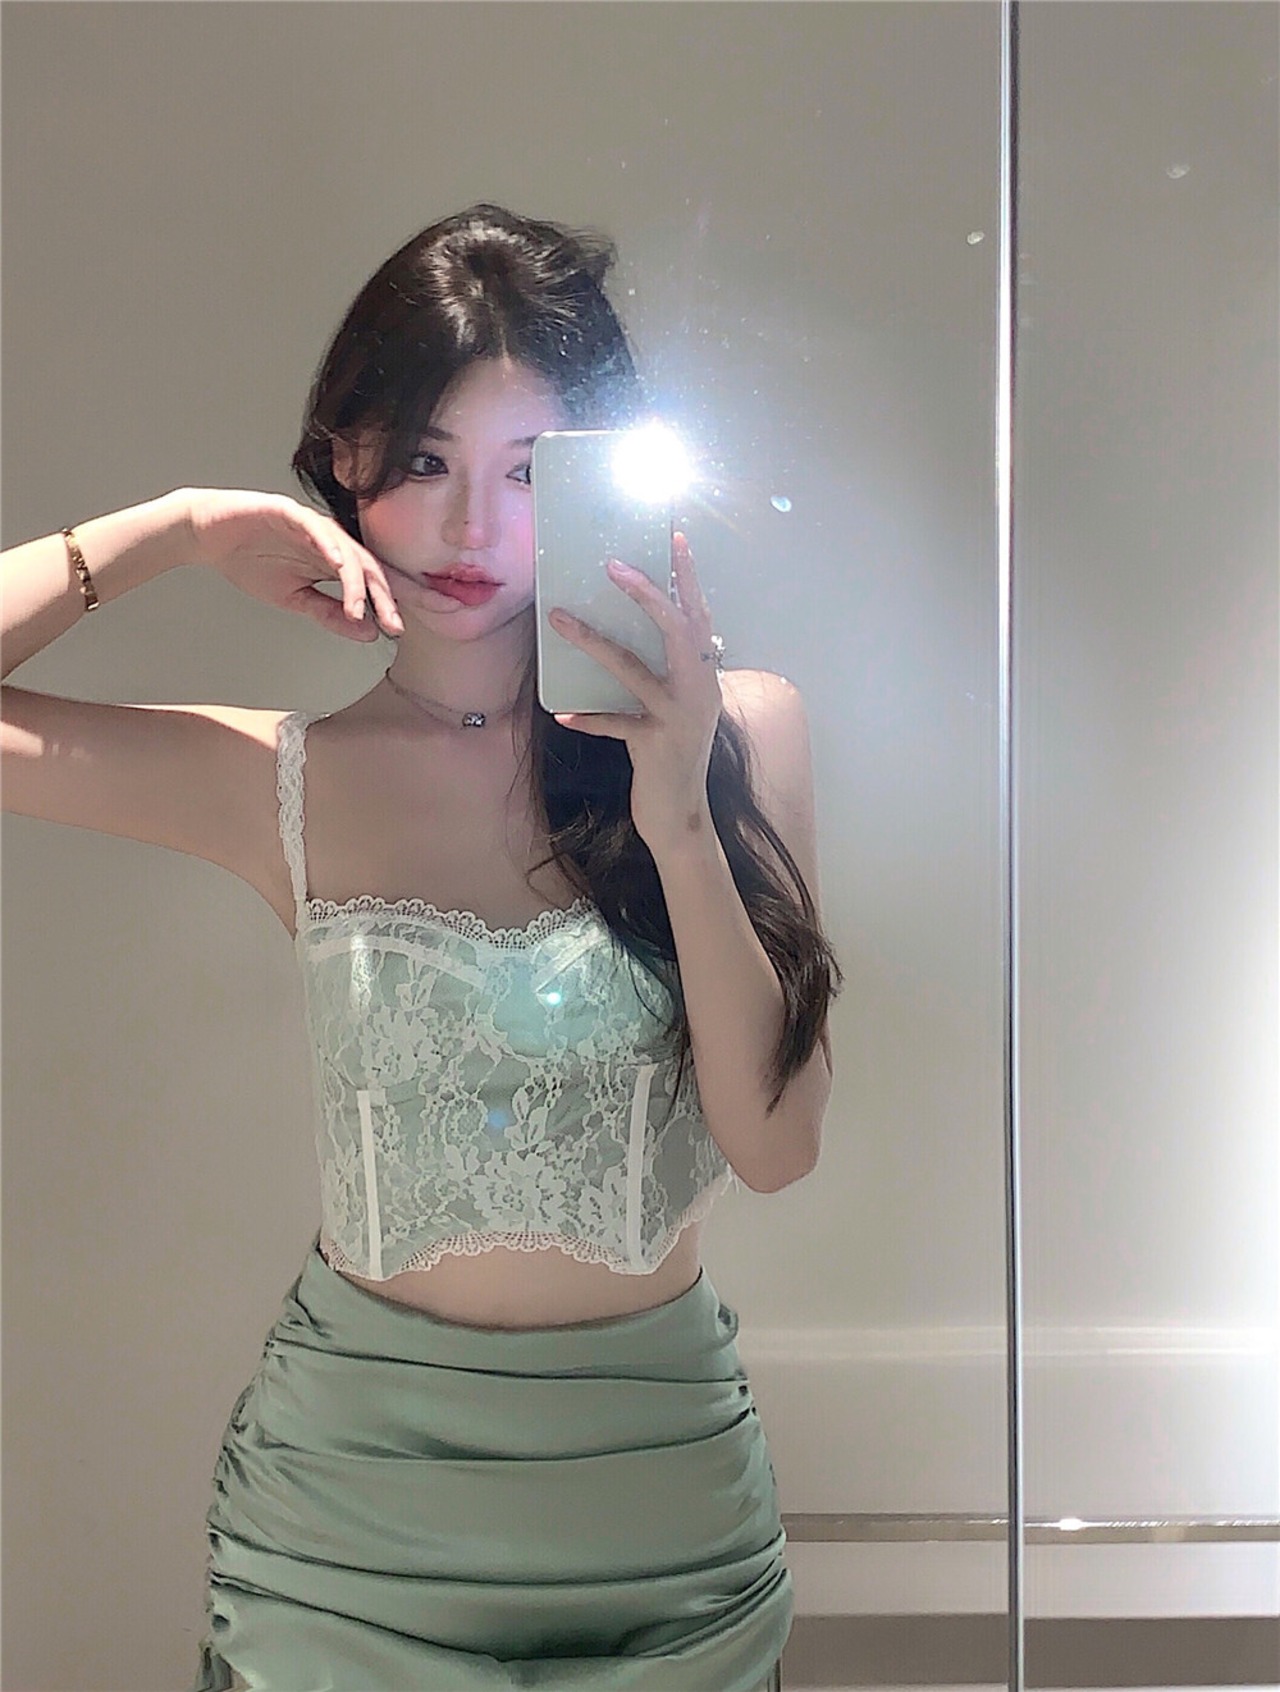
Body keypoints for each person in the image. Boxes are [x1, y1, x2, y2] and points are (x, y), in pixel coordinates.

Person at [2, 204, 842, 1691]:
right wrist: (173, 531)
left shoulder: (742, 733)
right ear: (345, 457)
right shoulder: (284, 778)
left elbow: (774, 1147)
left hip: (660, 1521)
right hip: (349, 1536)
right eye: (427, 460)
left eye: (528, 472)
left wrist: (678, 821)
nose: (470, 531)